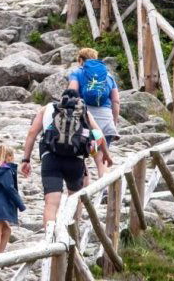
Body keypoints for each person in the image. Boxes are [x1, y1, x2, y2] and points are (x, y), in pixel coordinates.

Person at [21, 89, 113, 226]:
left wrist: (26, 160)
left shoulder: (48, 108)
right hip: (75, 159)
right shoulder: (83, 111)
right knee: (75, 199)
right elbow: (99, 135)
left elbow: (32, 133)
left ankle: (50, 240)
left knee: (51, 204)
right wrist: (106, 154)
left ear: (61, 98)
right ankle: (73, 236)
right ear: (78, 100)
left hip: (50, 158)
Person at [68, 48, 121, 179]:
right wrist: (114, 121)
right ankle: (104, 192)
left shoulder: (77, 72)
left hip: (84, 121)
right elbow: (116, 101)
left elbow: (71, 93)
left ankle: (83, 193)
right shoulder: (108, 76)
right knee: (102, 159)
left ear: (80, 60)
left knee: (80, 158)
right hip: (105, 120)